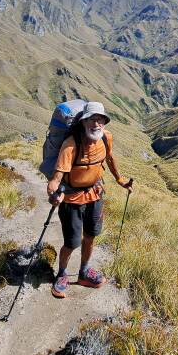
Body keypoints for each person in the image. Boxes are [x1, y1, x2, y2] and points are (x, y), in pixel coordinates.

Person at [46, 101, 132, 298]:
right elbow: (56, 178)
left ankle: (84, 272)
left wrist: (120, 179)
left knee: (91, 235)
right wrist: (53, 194)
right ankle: (62, 274)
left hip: (96, 194)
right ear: (83, 122)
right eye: (92, 120)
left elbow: (110, 158)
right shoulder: (70, 144)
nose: (96, 124)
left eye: (100, 120)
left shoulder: (106, 138)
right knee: (72, 242)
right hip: (72, 199)